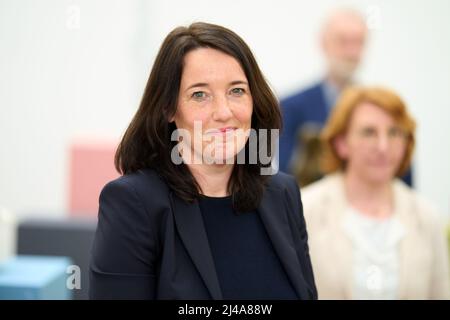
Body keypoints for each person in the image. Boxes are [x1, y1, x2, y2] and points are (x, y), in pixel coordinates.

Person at [89, 22, 317, 300]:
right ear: (168, 108)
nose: (223, 112)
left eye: (237, 91)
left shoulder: (283, 193)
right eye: (200, 94)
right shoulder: (133, 203)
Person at [301, 86, 450, 299]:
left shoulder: (426, 216)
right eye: (369, 132)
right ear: (341, 143)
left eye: (394, 133)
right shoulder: (305, 209)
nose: (383, 146)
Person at [279, 8, 413, 187]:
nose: (351, 51)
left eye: (358, 42)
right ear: (324, 44)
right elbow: (277, 173)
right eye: (343, 41)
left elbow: (402, 169)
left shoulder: (385, 109)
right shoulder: (289, 107)